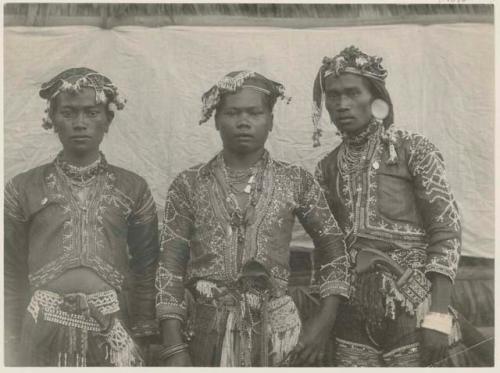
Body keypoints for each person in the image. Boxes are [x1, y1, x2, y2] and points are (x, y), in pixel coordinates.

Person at [155, 71, 350, 367]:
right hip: (208, 331)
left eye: (255, 112)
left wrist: (323, 322)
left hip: (279, 333)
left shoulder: (296, 180)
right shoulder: (189, 184)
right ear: (217, 119)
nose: (243, 121)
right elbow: (169, 265)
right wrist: (173, 346)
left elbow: (334, 247)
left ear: (270, 120)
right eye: (232, 113)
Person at [312, 46, 464, 367]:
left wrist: (438, 314)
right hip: (352, 308)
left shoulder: (413, 149)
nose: (342, 104)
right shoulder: (325, 169)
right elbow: (328, 250)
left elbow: (446, 230)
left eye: (353, 93)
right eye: (333, 95)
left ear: (377, 97)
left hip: (413, 303)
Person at [4, 67, 159, 366]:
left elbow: (146, 268)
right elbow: (10, 271)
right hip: (40, 327)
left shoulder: (133, 188)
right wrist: (9, 339)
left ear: (108, 120)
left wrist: (144, 332)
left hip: (113, 325)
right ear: (52, 118)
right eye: (68, 113)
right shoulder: (22, 189)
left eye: (91, 113)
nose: (80, 124)